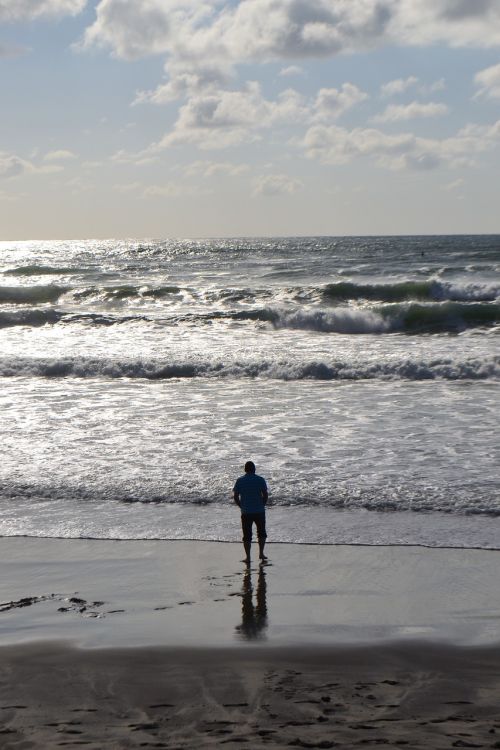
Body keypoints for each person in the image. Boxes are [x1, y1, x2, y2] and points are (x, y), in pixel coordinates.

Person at [233, 461, 268, 564]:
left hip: (246, 512)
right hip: (259, 511)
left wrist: (241, 506)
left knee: (247, 535)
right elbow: (265, 495)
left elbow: (235, 497)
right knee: (261, 533)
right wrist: (262, 505)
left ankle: (248, 557)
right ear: (254, 469)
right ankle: (261, 553)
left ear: (245, 469)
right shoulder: (260, 480)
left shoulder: (240, 481)